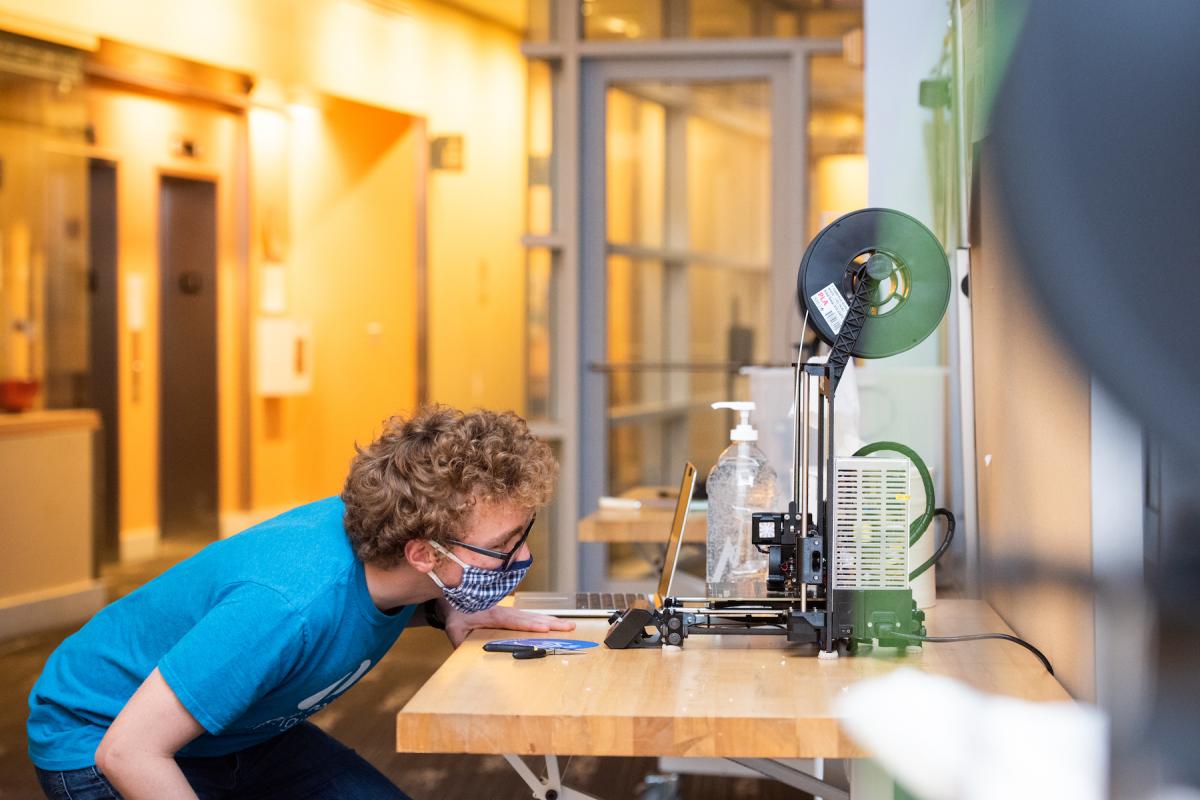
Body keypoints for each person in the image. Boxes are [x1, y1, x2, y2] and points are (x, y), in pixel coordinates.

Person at [27, 405, 574, 799]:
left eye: (521, 533)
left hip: (235, 729)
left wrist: (453, 608)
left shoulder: (391, 547)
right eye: (501, 545)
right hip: (102, 736)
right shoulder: (285, 609)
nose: (521, 554)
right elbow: (127, 753)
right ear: (423, 554)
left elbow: (369, 597)